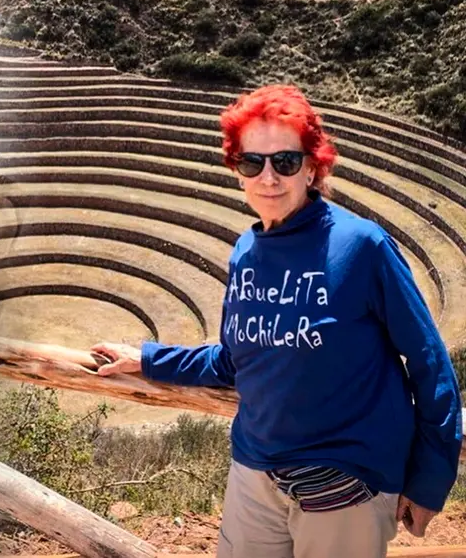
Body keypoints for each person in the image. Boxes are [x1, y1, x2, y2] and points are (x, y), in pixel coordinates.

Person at [92, 84, 463, 558]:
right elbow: (235, 360)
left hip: (344, 482)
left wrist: (430, 479)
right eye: (253, 163)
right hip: (255, 471)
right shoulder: (247, 252)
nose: (269, 177)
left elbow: (430, 362)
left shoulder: (361, 247)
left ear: (312, 166)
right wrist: (146, 358)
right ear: (237, 171)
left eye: (285, 161)